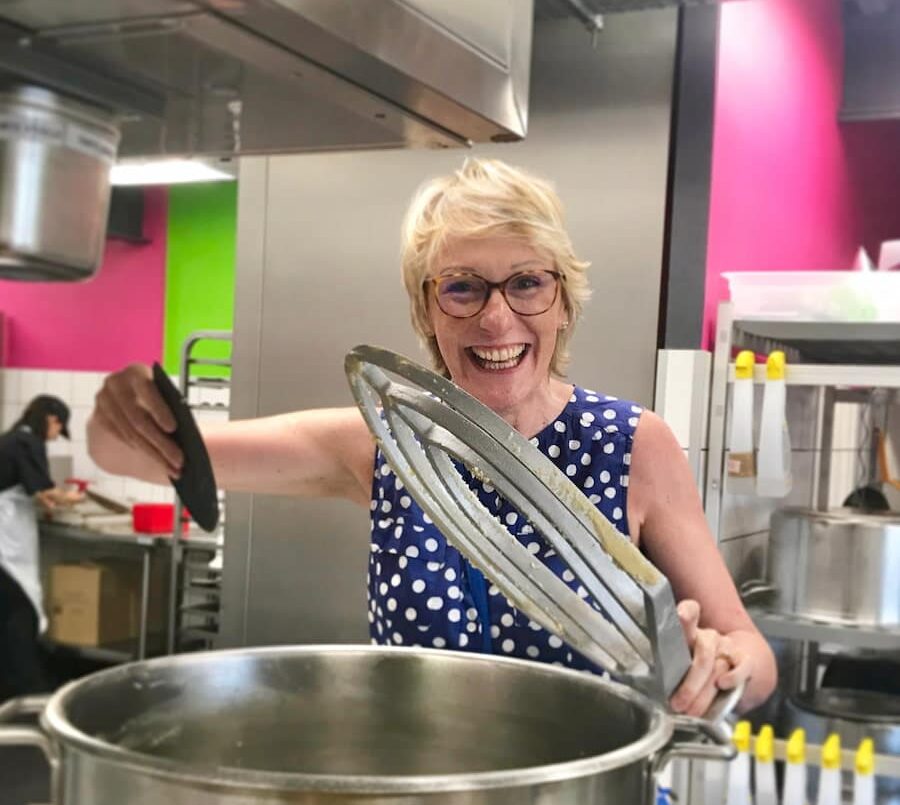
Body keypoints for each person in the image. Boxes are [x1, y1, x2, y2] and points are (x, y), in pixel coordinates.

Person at [87, 158, 777, 717]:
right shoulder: (384, 442)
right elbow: (140, 459)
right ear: (427, 307)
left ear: (562, 302)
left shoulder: (633, 446)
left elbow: (753, 653)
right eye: (463, 288)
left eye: (527, 283)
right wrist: (119, 411)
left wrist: (727, 665)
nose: (497, 318)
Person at [0, 395, 83, 701]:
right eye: (57, 428)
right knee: (21, 609)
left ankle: (14, 685)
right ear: (51, 419)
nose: (54, 435)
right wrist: (71, 498)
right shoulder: (27, 443)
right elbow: (44, 490)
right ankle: (29, 688)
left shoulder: (11, 439)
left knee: (9, 606)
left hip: (8, 529)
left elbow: (32, 489)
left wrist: (47, 498)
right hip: (6, 537)